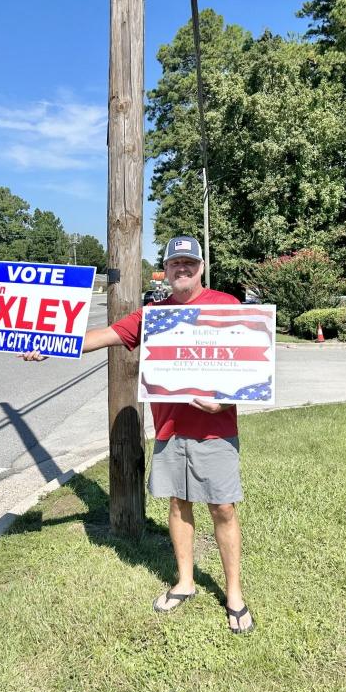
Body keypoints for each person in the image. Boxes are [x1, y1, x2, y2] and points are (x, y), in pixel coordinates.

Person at [22, 235, 254, 634]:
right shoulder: (154, 314)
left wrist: (225, 402)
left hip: (215, 430)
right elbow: (106, 336)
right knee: (179, 504)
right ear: (165, 270)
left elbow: (249, 366)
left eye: (189, 263)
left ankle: (234, 593)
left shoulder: (226, 306)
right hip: (170, 429)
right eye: (175, 264)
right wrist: (52, 344)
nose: (182, 269)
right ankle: (185, 582)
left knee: (223, 508)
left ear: (200, 267)